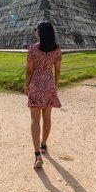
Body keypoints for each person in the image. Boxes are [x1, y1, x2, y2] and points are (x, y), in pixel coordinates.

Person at [24, 22, 62, 169]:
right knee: (47, 118)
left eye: (36, 31)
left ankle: (37, 154)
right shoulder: (57, 50)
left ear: (39, 33)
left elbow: (29, 71)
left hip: (35, 85)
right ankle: (44, 144)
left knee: (35, 119)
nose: (35, 33)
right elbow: (57, 71)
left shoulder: (33, 49)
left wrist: (26, 86)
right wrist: (55, 87)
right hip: (49, 85)